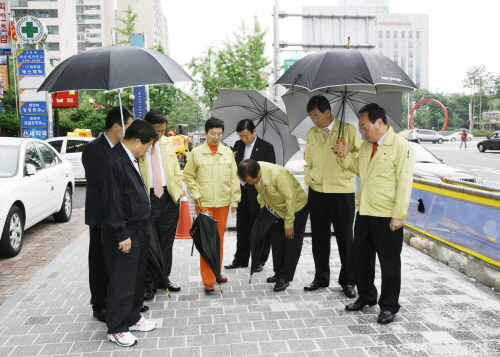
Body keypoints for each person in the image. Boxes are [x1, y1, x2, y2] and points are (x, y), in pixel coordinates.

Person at [334, 103, 414, 325]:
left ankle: (388, 306)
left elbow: (405, 183)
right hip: (365, 212)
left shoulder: (400, 146)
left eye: (364, 126)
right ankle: (367, 297)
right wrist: (345, 155)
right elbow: (360, 170)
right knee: (361, 259)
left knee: (389, 264)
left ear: (379, 122)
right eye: (360, 127)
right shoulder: (367, 146)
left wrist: (399, 215)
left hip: (388, 216)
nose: (362, 131)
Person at [99, 120, 159, 346]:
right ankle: (116, 327)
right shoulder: (112, 161)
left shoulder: (129, 158)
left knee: (136, 278)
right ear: (136, 142)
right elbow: (111, 201)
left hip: (139, 227)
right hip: (124, 230)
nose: (149, 149)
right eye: (148, 145)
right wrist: (121, 234)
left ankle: (132, 317)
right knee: (122, 279)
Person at [303, 95, 361, 298]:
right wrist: (310, 179)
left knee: (345, 238)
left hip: (342, 192)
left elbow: (361, 161)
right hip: (317, 192)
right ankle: (321, 277)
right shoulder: (312, 133)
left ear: (328, 112)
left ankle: (348, 280)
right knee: (319, 237)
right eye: (311, 116)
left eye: (317, 115)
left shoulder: (349, 131)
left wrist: (347, 153)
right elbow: (308, 160)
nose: (314, 120)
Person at [82, 106, 135, 323]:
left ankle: (120, 302)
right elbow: (101, 183)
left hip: (121, 216)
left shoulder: (123, 148)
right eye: (128, 127)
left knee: (118, 263)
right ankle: (100, 304)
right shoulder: (94, 149)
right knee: (100, 262)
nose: (131, 133)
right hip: (101, 217)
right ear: (117, 126)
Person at [183, 117, 240, 292]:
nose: (216, 137)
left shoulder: (227, 152)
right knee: (207, 241)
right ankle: (208, 279)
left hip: (223, 202)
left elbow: (233, 177)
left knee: (219, 241)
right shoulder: (196, 153)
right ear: (206, 133)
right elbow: (188, 176)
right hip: (204, 203)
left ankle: (217, 272)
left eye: (219, 134)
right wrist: (197, 194)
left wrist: (235, 199)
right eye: (213, 133)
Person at [238, 159, 308, 292]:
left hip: (296, 208)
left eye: (251, 181)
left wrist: (289, 223)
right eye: (247, 182)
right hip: (277, 210)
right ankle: (278, 273)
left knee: (291, 243)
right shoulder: (253, 169)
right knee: (277, 241)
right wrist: (265, 206)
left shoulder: (277, 175)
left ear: (259, 173)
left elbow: (290, 198)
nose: (250, 183)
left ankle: (285, 278)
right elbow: (261, 193)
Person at [139, 110, 183, 301]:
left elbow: (174, 169)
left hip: (168, 197)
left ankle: (163, 279)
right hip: (147, 197)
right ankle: (148, 284)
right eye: (156, 131)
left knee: (166, 241)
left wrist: (178, 192)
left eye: (163, 131)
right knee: (149, 243)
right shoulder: (138, 143)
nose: (159, 135)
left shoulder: (166, 143)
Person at [225, 119, 276, 272]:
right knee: (242, 227)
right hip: (242, 193)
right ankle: (240, 259)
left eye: (246, 136)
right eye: (241, 136)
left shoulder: (266, 147)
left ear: (254, 131)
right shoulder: (238, 146)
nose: (244, 139)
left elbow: (270, 172)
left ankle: (259, 259)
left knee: (259, 228)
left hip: (258, 194)